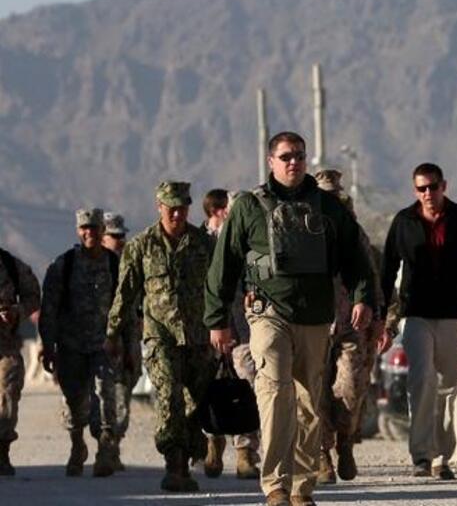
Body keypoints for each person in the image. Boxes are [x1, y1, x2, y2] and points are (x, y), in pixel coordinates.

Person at [205, 131, 374, 506]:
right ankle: (275, 486)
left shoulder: (327, 208)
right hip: (268, 314)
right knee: (275, 391)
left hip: (315, 317)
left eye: (299, 155)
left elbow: (355, 258)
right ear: (271, 162)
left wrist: (363, 296)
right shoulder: (249, 206)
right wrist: (217, 320)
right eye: (285, 156)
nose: (293, 162)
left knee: (311, 403)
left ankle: (301, 487)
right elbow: (224, 265)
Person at [105, 181, 215, 492]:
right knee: (168, 396)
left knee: (196, 402)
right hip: (160, 337)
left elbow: (221, 288)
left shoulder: (203, 243)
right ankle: (174, 464)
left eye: (182, 207)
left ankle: (192, 452)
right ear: (159, 207)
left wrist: (225, 327)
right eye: (171, 208)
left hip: (198, 337)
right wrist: (112, 332)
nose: (177, 213)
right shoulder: (142, 246)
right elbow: (125, 293)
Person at [381, 162, 457, 479]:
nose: (428, 193)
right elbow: (386, 271)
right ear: (415, 191)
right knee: (421, 379)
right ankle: (422, 456)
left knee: (449, 386)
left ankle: (443, 456)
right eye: (421, 188)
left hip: (454, 314)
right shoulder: (404, 222)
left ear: (444, 186)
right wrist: (383, 320)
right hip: (417, 314)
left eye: (433, 187)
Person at [314, 169, 388, 484]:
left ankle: (345, 441)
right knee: (314, 393)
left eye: (336, 197)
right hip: (313, 323)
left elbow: (371, 277)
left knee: (350, 387)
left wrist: (379, 316)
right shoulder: (304, 232)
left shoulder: (353, 233)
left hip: (351, 324)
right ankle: (321, 456)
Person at [40, 208, 119, 478]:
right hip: (71, 344)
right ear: (78, 230)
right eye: (85, 228)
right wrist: (48, 346)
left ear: (102, 231)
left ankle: (104, 450)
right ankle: (77, 445)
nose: (90, 233)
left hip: (104, 344)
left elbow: (126, 306)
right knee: (74, 399)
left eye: (95, 228)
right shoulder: (64, 265)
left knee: (105, 395)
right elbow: (49, 308)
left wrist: (124, 341)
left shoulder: (114, 264)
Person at [201, 188, 260, 480]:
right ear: (221, 211)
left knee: (247, 388)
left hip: (242, 328)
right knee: (210, 389)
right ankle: (212, 442)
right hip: (207, 330)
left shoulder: (250, 244)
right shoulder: (200, 243)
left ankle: (245, 453)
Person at [98, 211, 141, 472]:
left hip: (128, 340)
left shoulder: (129, 264)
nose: (120, 240)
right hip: (100, 341)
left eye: (122, 235)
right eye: (115, 236)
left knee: (124, 390)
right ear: (103, 237)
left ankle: (113, 444)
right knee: (107, 395)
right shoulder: (91, 267)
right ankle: (106, 444)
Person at [0, 246, 40, 476]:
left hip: (5, 346)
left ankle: (2, 451)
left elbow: (33, 296)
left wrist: (16, 311)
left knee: (8, 394)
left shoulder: (11, 265)